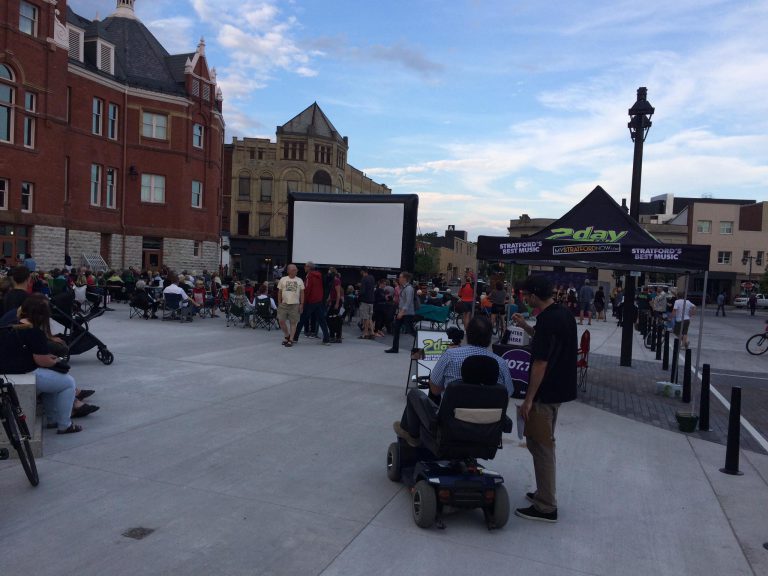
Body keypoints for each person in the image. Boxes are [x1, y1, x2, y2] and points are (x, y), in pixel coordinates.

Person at [510, 275, 577, 523]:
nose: (525, 299)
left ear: (536, 294)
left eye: (526, 295)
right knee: (544, 442)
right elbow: (546, 340)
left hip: (545, 391)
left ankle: (546, 505)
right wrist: (526, 327)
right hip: (559, 388)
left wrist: (529, 400)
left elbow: (540, 362)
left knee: (540, 446)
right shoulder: (562, 314)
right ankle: (543, 492)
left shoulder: (548, 320)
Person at [393, 315, 514, 447]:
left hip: (451, 424)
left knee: (414, 394)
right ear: (490, 338)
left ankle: (412, 435)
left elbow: (435, 390)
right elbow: (506, 396)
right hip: (488, 428)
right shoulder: (501, 364)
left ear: (468, 334)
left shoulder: (451, 355)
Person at [0, 295, 99, 434]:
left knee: (54, 382)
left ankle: (52, 420)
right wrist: (56, 360)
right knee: (68, 382)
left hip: (6, 371)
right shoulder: (33, 331)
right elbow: (42, 361)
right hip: (22, 373)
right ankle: (65, 425)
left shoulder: (13, 322)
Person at [295, 262, 330, 344]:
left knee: (302, 319)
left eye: (305, 266)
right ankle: (326, 339)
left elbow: (307, 289)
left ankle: (295, 337)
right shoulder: (319, 275)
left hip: (310, 301)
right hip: (319, 300)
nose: (304, 268)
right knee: (322, 321)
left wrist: (303, 301)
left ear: (309, 267)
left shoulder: (309, 276)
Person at [385, 271, 416, 354]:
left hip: (407, 313)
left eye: (400, 277)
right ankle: (395, 348)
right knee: (396, 329)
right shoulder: (403, 287)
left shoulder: (409, 288)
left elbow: (408, 302)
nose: (399, 278)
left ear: (404, 279)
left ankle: (420, 343)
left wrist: (401, 313)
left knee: (410, 331)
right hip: (402, 312)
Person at [277, 264, 304, 347]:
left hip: (295, 305)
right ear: (288, 271)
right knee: (281, 321)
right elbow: (280, 292)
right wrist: (279, 302)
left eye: (296, 270)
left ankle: (291, 339)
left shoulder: (299, 280)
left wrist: (301, 304)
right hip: (284, 304)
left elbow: (302, 293)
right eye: (293, 270)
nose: (296, 271)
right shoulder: (283, 279)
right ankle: (287, 335)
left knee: (293, 322)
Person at [358, 267, 376, 339]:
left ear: (363, 271)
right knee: (369, 317)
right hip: (371, 300)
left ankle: (365, 334)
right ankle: (372, 332)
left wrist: (358, 294)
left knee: (365, 318)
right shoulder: (372, 278)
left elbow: (363, 291)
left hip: (365, 300)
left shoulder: (364, 279)